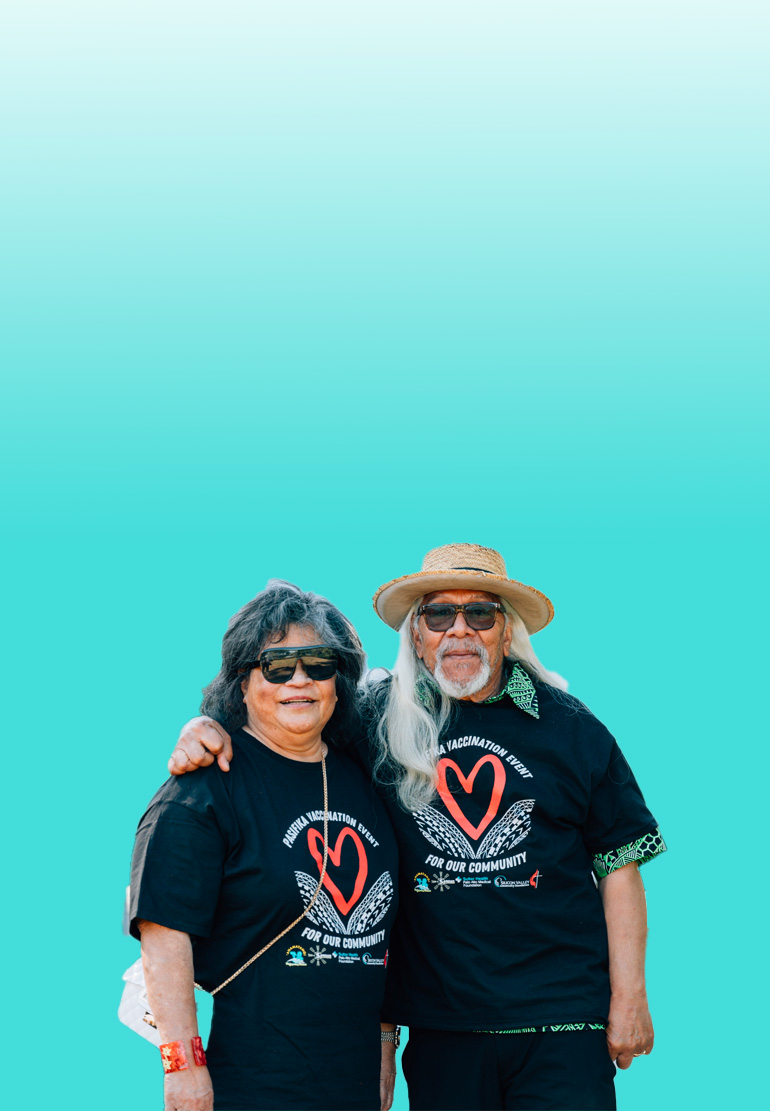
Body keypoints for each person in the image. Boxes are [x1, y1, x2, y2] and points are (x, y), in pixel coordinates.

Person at [171, 544, 666, 1111]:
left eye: (481, 613)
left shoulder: (572, 728)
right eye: (439, 615)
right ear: (416, 633)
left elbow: (620, 863)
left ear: (506, 631)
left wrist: (630, 996)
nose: (460, 630)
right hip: (440, 1029)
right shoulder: (374, 719)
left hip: (561, 1022)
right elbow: (287, 709)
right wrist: (205, 725)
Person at [129, 581, 399, 1111]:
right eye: (277, 665)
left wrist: (386, 1042)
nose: (299, 680)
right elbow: (163, 933)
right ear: (243, 683)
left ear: (338, 680)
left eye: (318, 664)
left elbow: (387, 927)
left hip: (354, 1084)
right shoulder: (202, 791)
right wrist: (182, 1069)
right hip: (249, 1084)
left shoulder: (369, 778)